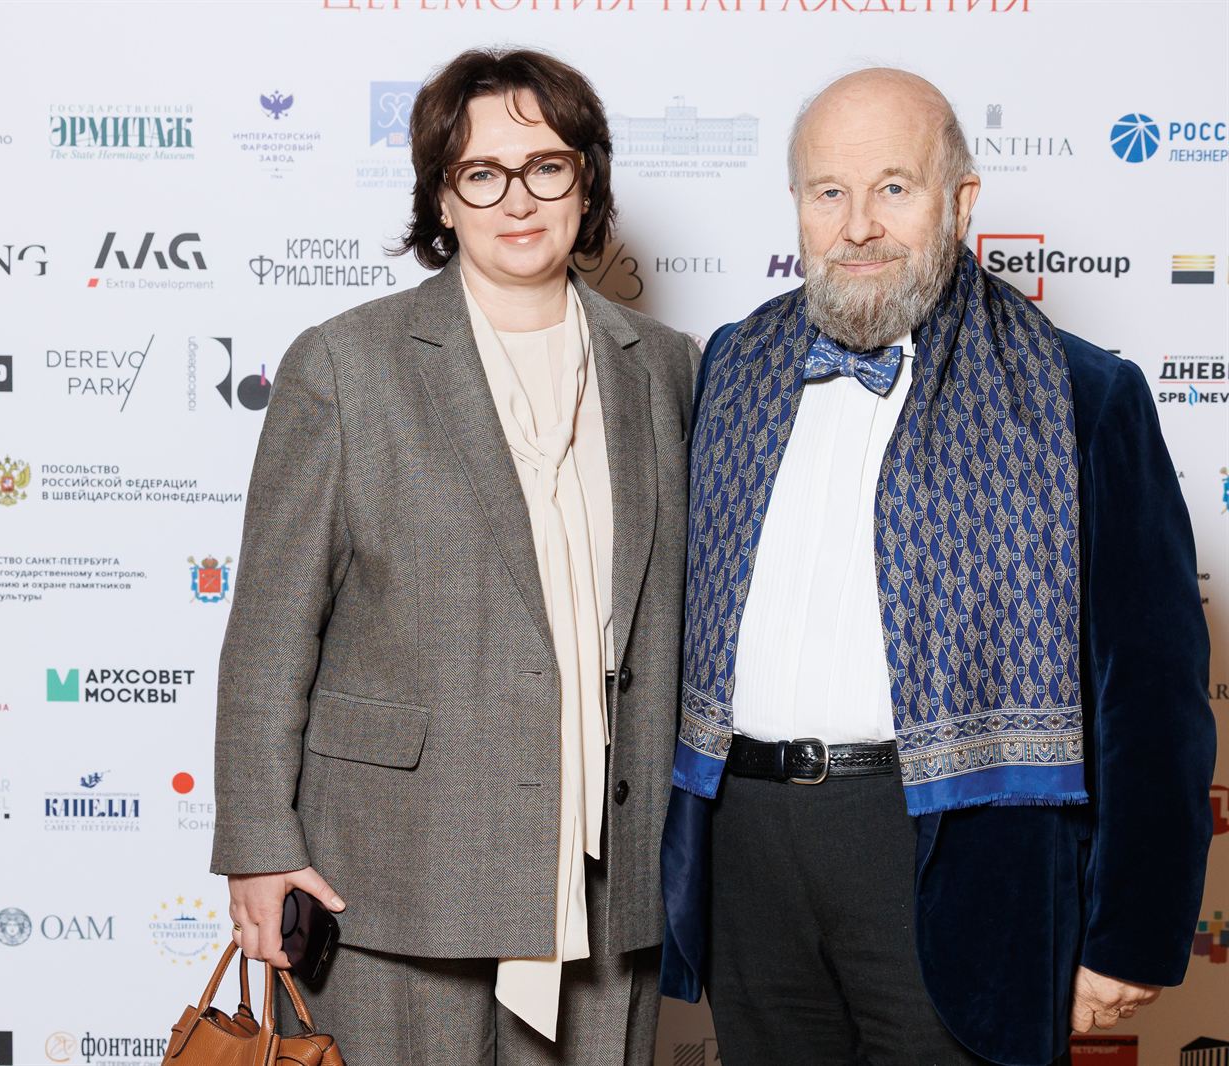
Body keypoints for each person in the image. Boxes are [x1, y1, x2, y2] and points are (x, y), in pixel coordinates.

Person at [660, 67, 1214, 1066]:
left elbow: (1153, 696)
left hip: (955, 854)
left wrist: (1129, 932)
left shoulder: (1082, 394)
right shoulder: (732, 366)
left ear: (959, 202)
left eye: (893, 187)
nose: (857, 225)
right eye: (828, 191)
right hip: (748, 848)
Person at [212, 47, 696, 1066]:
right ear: (442, 196)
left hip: (608, 882)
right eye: (481, 173)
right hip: (393, 873)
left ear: (587, 182)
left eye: (546, 166)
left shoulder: (664, 368)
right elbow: (268, 634)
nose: (517, 199)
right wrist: (258, 846)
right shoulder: (344, 363)